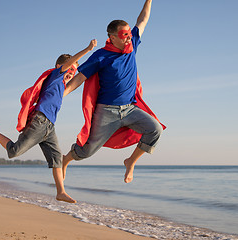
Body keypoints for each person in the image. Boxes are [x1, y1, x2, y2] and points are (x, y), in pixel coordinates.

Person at [0, 39, 97, 203]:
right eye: (70, 68)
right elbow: (69, 63)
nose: (71, 72)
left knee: (57, 159)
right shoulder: (56, 76)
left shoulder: (61, 86)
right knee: (14, 152)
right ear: (60, 67)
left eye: (74, 70)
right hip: (39, 121)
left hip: (49, 127)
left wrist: (94, 65)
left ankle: (60, 192)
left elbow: (77, 81)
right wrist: (88, 49)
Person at [63, 0, 165, 183]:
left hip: (130, 109)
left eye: (128, 33)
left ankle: (130, 162)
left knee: (155, 129)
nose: (128, 37)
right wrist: (60, 95)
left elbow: (142, 20)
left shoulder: (132, 44)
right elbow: (79, 79)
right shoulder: (101, 56)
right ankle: (66, 159)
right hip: (107, 112)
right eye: (124, 34)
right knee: (87, 150)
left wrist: (148, 0)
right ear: (112, 37)